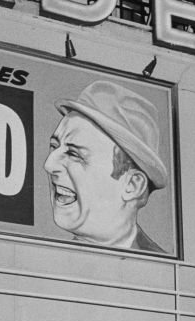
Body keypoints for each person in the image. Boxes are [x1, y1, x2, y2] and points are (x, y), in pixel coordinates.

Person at [44, 80, 168, 252]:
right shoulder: (48, 261)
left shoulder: (162, 271)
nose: (49, 165)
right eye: (54, 146)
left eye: (74, 154)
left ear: (132, 185)